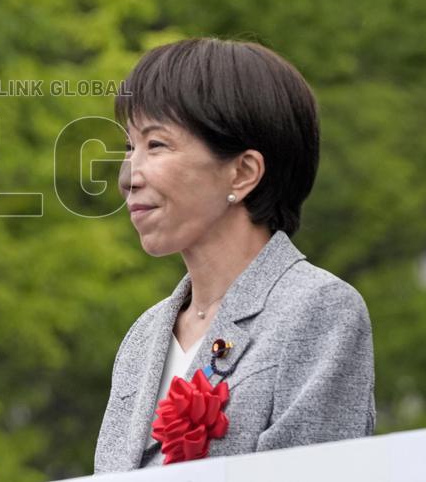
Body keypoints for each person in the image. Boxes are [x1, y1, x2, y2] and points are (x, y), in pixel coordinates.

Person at [95, 38, 375, 472]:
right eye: (130, 147)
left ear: (243, 172)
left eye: (156, 146)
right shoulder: (144, 336)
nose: (129, 176)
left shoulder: (318, 310)